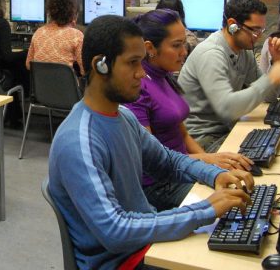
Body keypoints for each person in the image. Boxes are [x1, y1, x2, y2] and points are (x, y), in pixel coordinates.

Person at [48, 14, 253, 270]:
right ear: (100, 65)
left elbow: (168, 161)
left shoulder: (123, 117)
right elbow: (115, 231)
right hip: (123, 261)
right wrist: (205, 210)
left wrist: (214, 174)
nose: (142, 73)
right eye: (133, 63)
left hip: (145, 245)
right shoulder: (79, 141)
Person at [125, 9, 253, 211]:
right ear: (150, 48)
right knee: (234, 203)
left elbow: (182, 134)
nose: (184, 51)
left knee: (240, 187)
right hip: (159, 184)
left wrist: (209, 165)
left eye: (184, 43)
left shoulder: (164, 75)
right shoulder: (138, 88)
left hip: (182, 168)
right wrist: (207, 162)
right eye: (176, 45)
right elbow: (152, 160)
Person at [178, 0, 280, 152]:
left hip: (226, 130)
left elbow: (269, 97)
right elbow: (227, 109)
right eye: (254, 30)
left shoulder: (244, 52)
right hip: (202, 139)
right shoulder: (211, 54)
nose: (258, 36)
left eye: (261, 30)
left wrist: (277, 63)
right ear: (232, 25)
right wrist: (270, 78)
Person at [26, 0, 84, 76]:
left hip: (41, 84)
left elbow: (28, 65)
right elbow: (84, 70)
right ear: (73, 15)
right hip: (66, 84)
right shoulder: (76, 35)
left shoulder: (39, 32)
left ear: (51, 13)